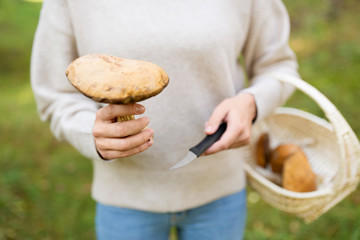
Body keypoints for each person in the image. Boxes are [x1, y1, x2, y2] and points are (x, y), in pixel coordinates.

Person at [31, 0, 299, 239]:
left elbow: (278, 65)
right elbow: (54, 93)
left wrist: (251, 103)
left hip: (220, 193)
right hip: (125, 200)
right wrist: (89, 132)